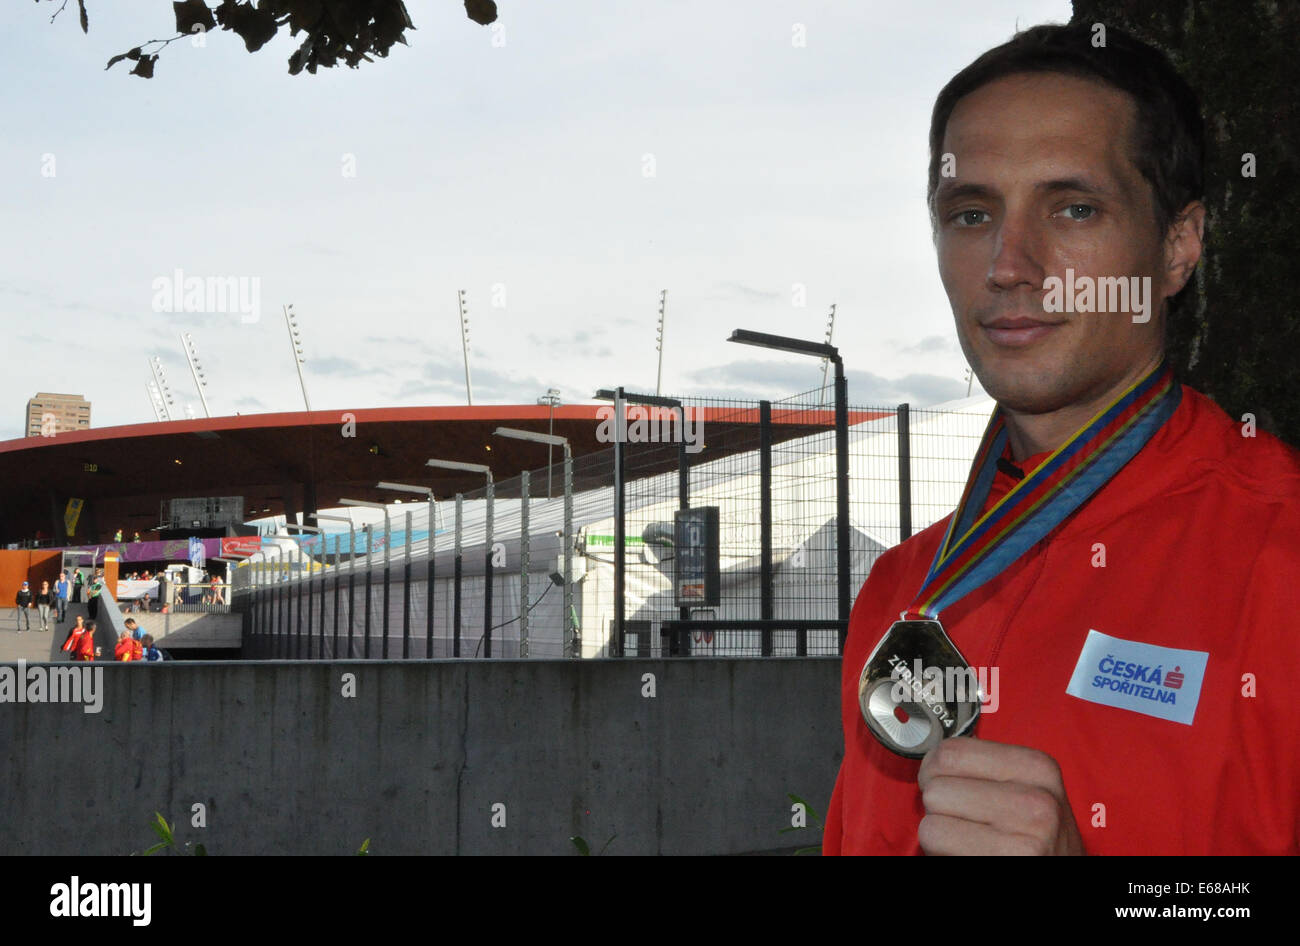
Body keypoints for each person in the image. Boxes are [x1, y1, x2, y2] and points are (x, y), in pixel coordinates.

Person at [824, 24, 1300, 856]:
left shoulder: (1279, 558)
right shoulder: (902, 591)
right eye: (971, 214)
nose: (1010, 264)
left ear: (1178, 246)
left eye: (1073, 208)